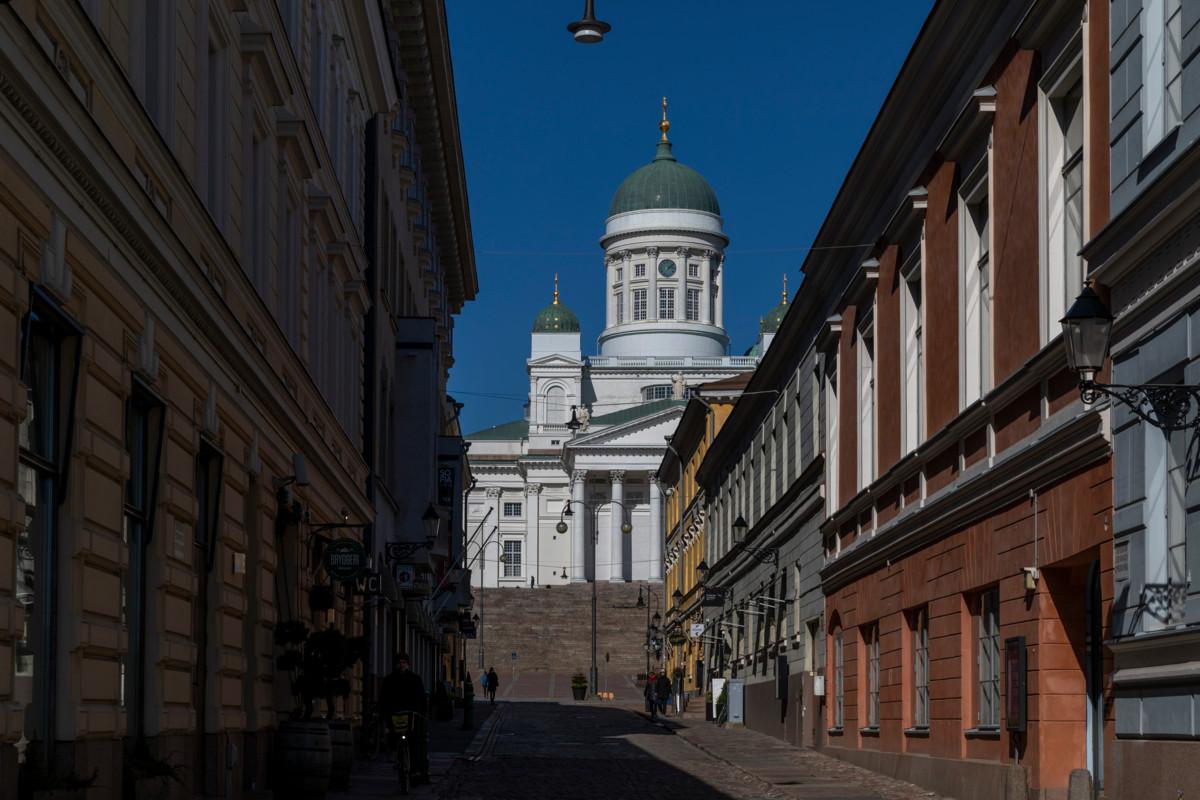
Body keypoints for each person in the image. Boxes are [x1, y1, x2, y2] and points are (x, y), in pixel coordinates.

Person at [381, 653, 429, 783]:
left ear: (408, 664)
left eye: (404, 662)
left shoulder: (415, 679)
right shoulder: (389, 680)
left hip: (410, 716)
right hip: (395, 715)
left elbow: (421, 699)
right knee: (393, 737)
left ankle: (413, 769)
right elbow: (384, 698)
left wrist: (422, 713)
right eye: (399, 662)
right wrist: (385, 713)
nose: (401, 665)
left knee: (414, 741)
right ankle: (396, 756)